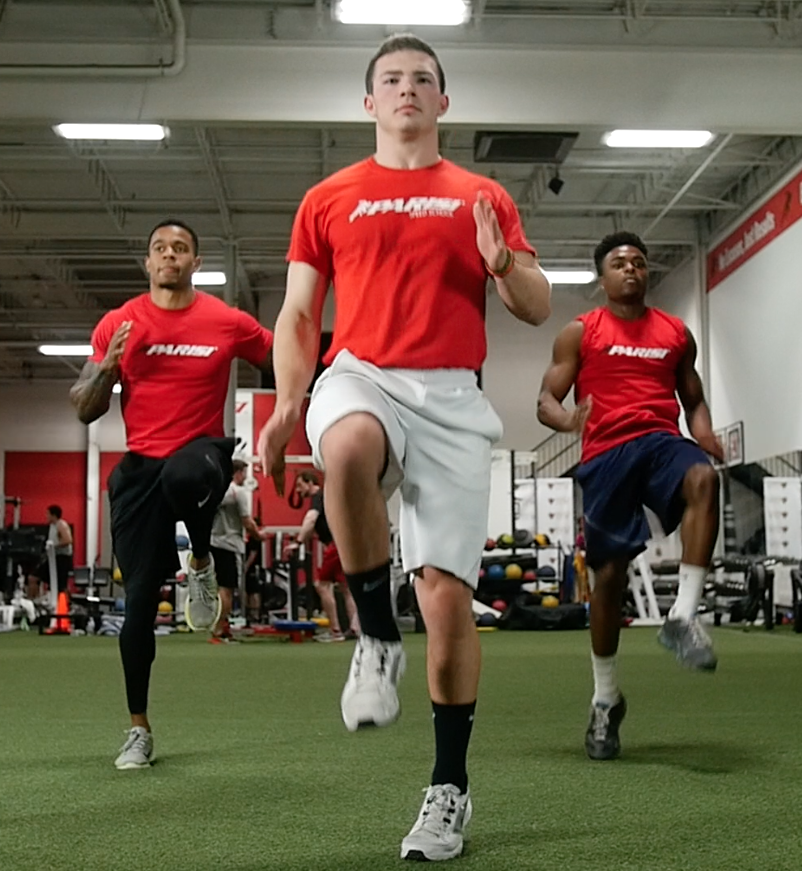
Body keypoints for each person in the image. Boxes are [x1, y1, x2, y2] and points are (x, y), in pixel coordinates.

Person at [258, 33, 551, 862]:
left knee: (448, 599)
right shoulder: (330, 196)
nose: (407, 89)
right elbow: (296, 312)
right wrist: (287, 402)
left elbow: (534, 301)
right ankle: (375, 639)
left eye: (424, 78)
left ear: (444, 102)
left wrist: (502, 267)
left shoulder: (482, 192)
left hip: (455, 395)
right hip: (363, 373)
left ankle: (447, 789)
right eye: (391, 79)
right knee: (346, 445)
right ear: (369, 103)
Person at [71, 218, 272, 770]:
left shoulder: (226, 320)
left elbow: (283, 358)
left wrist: (306, 404)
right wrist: (106, 371)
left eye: (180, 248)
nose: (170, 256)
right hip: (142, 464)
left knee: (182, 476)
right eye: (160, 248)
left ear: (194, 262)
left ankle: (202, 557)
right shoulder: (120, 323)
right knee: (137, 604)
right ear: (148, 262)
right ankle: (138, 729)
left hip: (202, 453)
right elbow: (85, 406)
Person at [536, 231, 724, 761]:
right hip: (606, 453)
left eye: (639, 262)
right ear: (604, 277)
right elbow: (545, 399)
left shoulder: (675, 333)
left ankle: (683, 616)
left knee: (704, 479)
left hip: (662, 441)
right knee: (610, 578)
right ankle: (605, 699)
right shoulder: (581, 332)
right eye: (619, 263)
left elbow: (694, 396)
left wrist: (703, 433)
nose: (631, 270)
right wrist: (568, 417)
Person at [293, 470, 359, 642]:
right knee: (346, 588)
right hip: (345, 542)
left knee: (322, 585)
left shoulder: (318, 498)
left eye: (300, 486)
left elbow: (310, 520)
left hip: (336, 544)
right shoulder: (326, 496)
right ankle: (354, 629)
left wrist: (298, 541)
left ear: (309, 483)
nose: (298, 491)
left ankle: (335, 630)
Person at [208, 458, 263, 642]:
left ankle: (221, 626)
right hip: (230, 545)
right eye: (244, 473)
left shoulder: (213, 491)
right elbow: (247, 522)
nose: (245, 477)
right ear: (237, 473)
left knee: (220, 588)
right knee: (227, 590)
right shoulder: (237, 492)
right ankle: (218, 629)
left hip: (213, 544)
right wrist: (259, 536)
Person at [46, 504, 74, 595]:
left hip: (63, 558)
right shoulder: (52, 526)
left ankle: (66, 604)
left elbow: (68, 540)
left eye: (48, 514)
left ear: (53, 515)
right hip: (55, 558)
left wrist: (53, 546)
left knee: (62, 585)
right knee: (54, 584)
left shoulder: (61, 524)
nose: (46, 516)